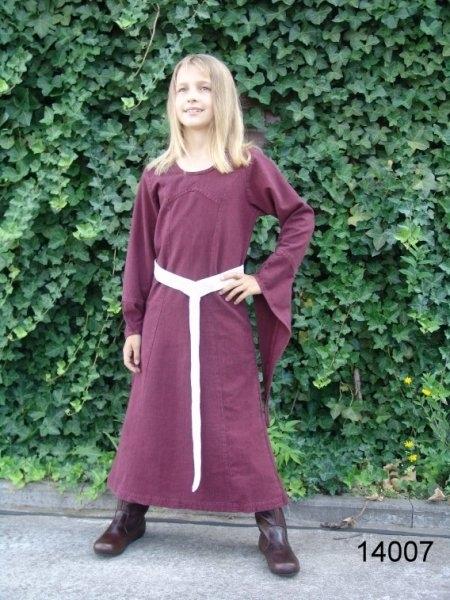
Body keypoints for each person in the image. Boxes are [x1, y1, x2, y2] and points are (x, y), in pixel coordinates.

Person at [93, 53, 315, 577]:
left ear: (222, 98)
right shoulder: (158, 175)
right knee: (151, 409)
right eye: (182, 89)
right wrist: (134, 323)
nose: (192, 97)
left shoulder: (245, 165)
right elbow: (140, 255)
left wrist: (263, 278)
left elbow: (298, 217)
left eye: (203, 88)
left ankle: (272, 526)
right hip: (167, 307)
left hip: (220, 307)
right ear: (172, 101)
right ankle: (130, 514)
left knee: (237, 413)